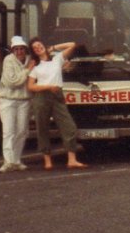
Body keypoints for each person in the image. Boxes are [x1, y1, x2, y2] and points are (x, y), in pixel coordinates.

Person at [27, 38, 88, 169]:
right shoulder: (35, 66)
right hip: (42, 97)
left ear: (44, 45)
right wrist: (47, 87)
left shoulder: (57, 59)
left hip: (57, 95)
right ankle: (47, 161)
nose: (38, 48)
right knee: (43, 128)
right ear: (33, 52)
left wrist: (53, 47)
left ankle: (72, 160)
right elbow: (31, 86)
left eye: (39, 45)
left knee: (69, 127)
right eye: (35, 48)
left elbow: (72, 44)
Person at [0, 36, 34, 172]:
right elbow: (12, 83)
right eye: (16, 49)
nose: (19, 52)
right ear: (13, 50)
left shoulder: (30, 60)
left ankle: (16, 160)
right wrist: (27, 71)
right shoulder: (8, 60)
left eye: (21, 49)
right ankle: (8, 162)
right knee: (8, 131)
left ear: (25, 49)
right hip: (8, 100)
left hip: (24, 100)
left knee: (22, 131)